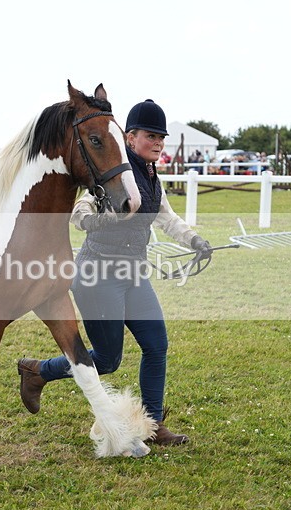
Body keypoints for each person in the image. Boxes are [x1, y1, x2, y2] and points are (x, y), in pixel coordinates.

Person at [17, 99, 213, 446]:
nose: (159, 143)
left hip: (134, 274)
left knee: (157, 346)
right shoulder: (110, 174)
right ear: (131, 137)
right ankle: (38, 371)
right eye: (151, 136)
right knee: (107, 360)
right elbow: (80, 214)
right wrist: (108, 217)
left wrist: (195, 240)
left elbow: (166, 216)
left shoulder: (152, 176)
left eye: (162, 138)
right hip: (98, 275)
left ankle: (152, 425)